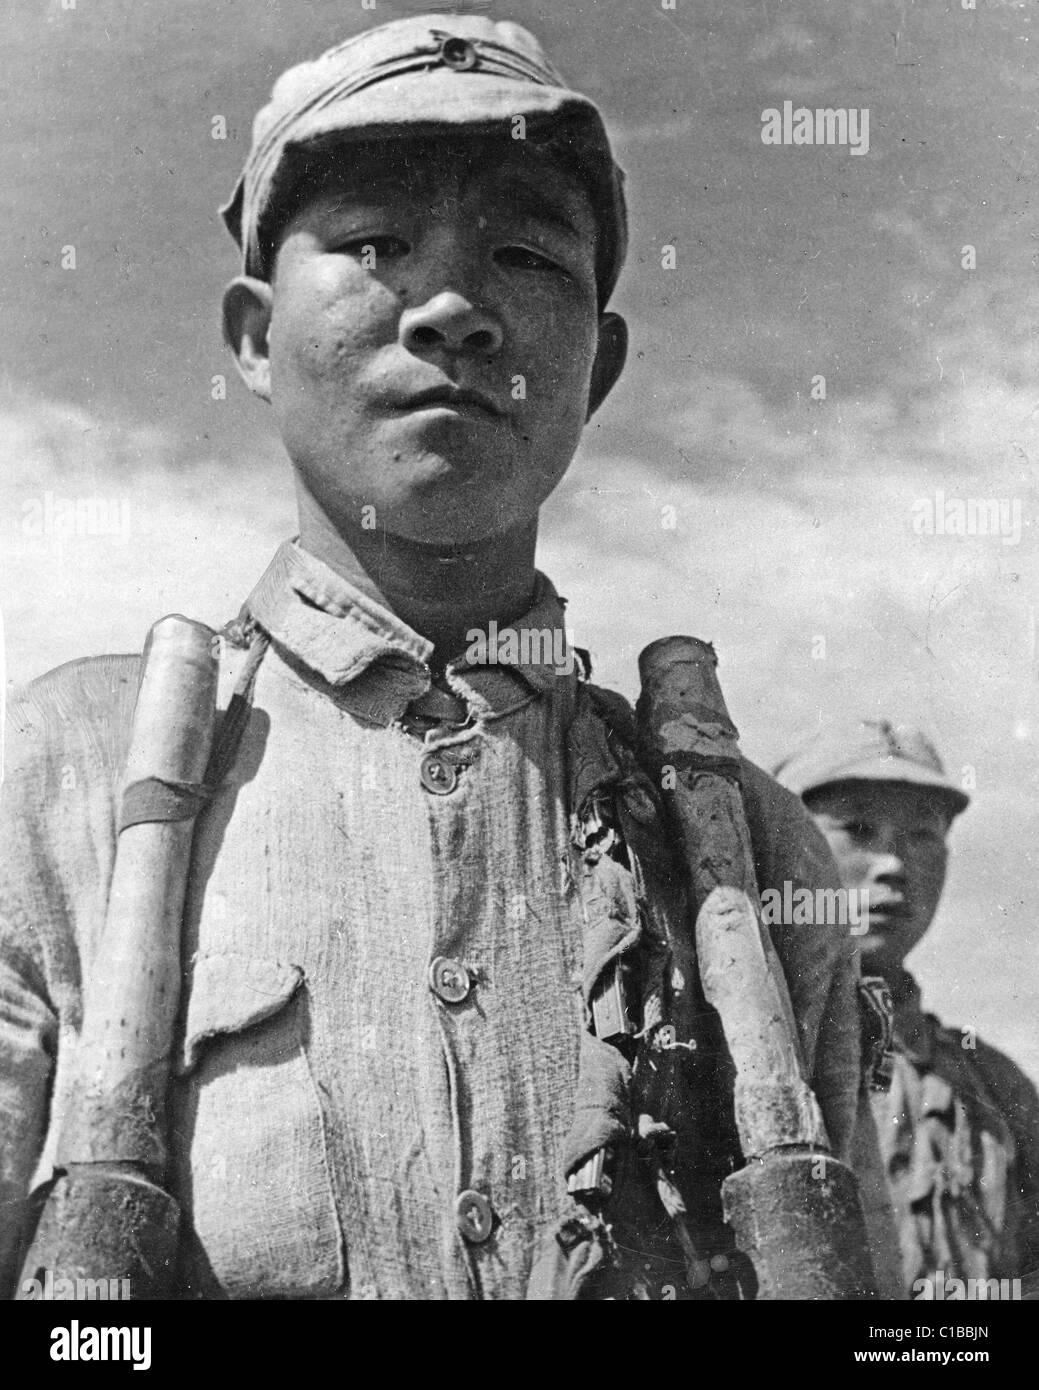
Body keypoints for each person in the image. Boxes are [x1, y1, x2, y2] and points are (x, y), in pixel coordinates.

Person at [1, 14, 877, 1300]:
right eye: (373, 245)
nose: (458, 309)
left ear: (601, 366)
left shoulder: (744, 849)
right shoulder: (61, 780)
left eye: (525, 255)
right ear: (251, 337)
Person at [775, 718, 1039, 1299]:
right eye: (858, 828)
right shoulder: (734, 1058)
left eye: (922, 835)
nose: (893, 864)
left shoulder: (997, 1090)